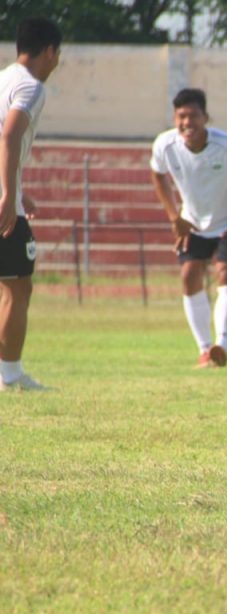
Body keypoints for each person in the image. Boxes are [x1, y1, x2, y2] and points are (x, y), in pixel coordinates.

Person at [150, 88, 227, 369]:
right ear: (175, 118)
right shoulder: (165, 145)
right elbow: (157, 173)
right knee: (189, 276)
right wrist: (174, 216)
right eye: (181, 116)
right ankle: (204, 350)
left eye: (193, 116)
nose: (187, 122)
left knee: (225, 273)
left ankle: (221, 346)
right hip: (193, 221)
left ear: (206, 118)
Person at [0, 17, 62, 392]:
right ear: (50, 51)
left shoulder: (2, 78)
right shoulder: (31, 86)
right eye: (57, 56)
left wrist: (18, 187)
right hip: (4, 203)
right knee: (18, 287)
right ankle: (10, 375)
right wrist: (9, 194)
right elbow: (10, 132)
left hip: (9, 192)